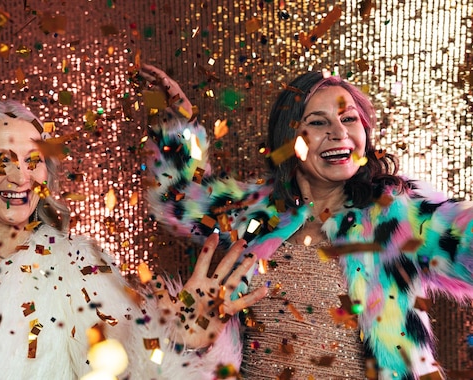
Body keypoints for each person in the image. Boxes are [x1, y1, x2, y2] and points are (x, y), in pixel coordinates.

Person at [0, 99, 268, 379]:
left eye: (33, 160)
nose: (20, 177)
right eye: (0, 160)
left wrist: (175, 340)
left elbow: (125, 367)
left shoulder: (77, 270)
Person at [139, 64, 473, 379]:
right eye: (317, 122)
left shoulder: (398, 217)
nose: (339, 133)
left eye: (349, 118)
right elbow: (179, 196)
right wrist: (178, 122)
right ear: (289, 137)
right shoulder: (253, 216)